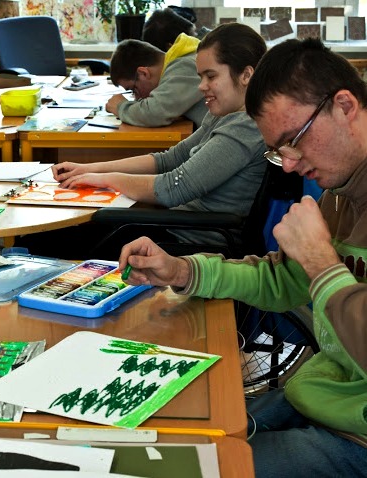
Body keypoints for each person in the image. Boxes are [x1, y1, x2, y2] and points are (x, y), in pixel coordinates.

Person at [118, 38, 367, 477]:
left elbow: (317, 275)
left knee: (194, 469)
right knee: (161, 443)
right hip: (328, 394)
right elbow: (282, 281)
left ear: (344, 106)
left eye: (293, 140)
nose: (288, 165)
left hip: (356, 437)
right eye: (278, 150)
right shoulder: (342, 188)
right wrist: (182, 270)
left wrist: (322, 265)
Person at [37, 23, 267, 258]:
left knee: (47, 241)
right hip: (175, 226)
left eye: (211, 76)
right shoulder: (226, 113)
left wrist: (103, 179)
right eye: (201, 77)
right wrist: (90, 169)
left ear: (246, 75)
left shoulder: (246, 127)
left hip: (192, 242)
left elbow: (173, 188)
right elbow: (170, 159)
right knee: (60, 234)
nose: (201, 86)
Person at [105, 8, 207, 128]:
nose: (137, 98)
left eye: (134, 89)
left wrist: (120, 107)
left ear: (144, 73)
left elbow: (155, 113)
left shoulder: (185, 66)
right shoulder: (180, 60)